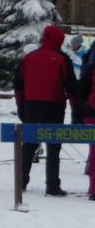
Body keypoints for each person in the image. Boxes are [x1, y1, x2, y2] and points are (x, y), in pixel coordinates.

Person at [15, 24, 80, 196]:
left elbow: (18, 85)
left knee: (29, 145)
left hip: (31, 107)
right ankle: (52, 185)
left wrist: (21, 106)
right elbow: (72, 89)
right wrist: (76, 111)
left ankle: (21, 182)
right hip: (54, 107)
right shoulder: (62, 59)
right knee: (53, 148)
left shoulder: (29, 58)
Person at [79, 58, 95, 201]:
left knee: (94, 153)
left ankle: (94, 189)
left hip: (91, 115)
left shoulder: (89, 70)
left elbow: (81, 93)